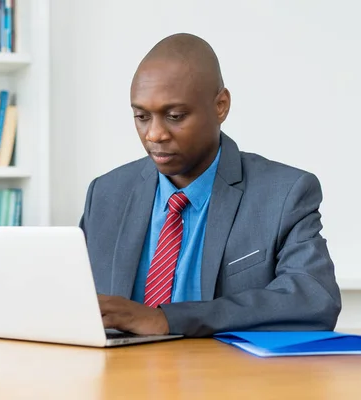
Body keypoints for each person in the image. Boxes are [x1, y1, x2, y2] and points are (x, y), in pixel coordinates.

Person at [79, 33, 341, 338]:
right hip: (118, 380)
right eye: (141, 117)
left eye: (175, 116)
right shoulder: (107, 194)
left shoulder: (284, 193)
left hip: (225, 381)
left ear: (221, 106)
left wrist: (168, 320)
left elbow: (313, 300)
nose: (154, 134)